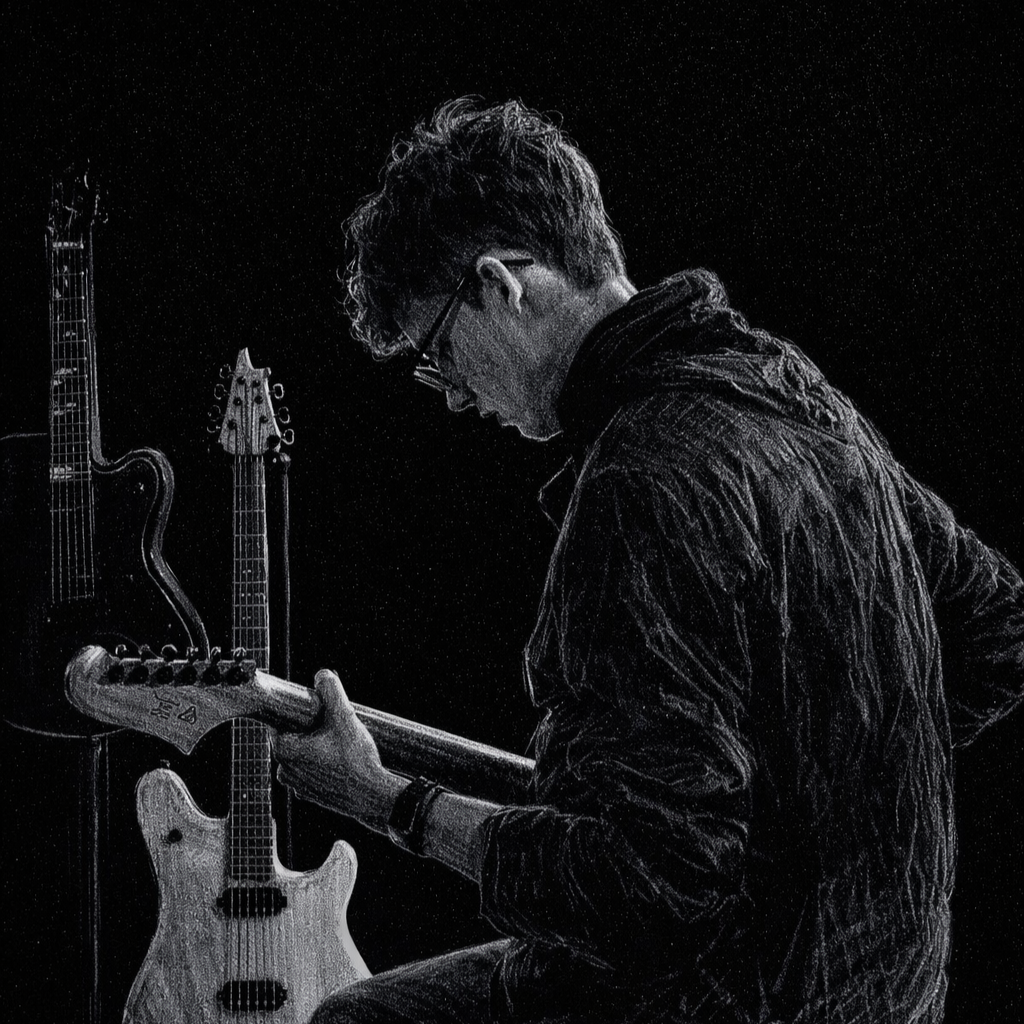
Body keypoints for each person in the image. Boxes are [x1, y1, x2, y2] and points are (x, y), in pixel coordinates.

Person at [271, 98, 1024, 1023]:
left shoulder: (643, 480)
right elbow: (995, 627)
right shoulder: (786, 387)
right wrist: (818, 799)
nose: (456, 396)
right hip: (893, 995)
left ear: (503, 284)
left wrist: (388, 800)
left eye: (439, 355)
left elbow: (653, 892)